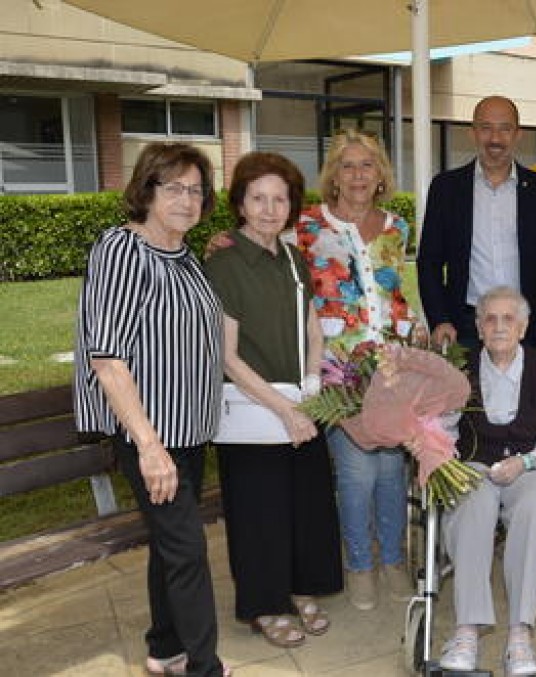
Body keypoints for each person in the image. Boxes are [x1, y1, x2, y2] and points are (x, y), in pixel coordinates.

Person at [73, 142, 230, 676]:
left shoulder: (184, 256)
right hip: (149, 433)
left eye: (197, 190)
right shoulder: (122, 250)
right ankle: (204, 668)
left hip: (188, 429)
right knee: (188, 550)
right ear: (147, 190)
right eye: (174, 188)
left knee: (171, 547)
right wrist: (148, 445)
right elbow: (107, 357)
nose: (188, 200)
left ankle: (165, 649)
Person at [204, 152, 343, 648]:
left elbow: (312, 329)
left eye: (279, 199)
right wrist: (283, 410)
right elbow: (227, 356)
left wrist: (311, 387)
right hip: (253, 408)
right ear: (240, 203)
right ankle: (265, 604)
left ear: (291, 205)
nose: (269, 209)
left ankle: (301, 587)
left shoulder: (293, 259)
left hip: (299, 403)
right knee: (259, 512)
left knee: (305, 504)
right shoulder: (223, 264)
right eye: (258, 198)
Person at [293, 130, 416, 610]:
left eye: (367, 165)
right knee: (357, 472)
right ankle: (361, 564)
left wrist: (415, 336)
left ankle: (394, 559)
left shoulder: (396, 227)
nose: (358, 175)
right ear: (334, 175)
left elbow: (395, 292)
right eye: (348, 165)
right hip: (338, 371)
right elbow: (266, 254)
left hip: (390, 370)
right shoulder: (306, 226)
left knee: (391, 471)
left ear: (381, 173)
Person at [434, 286, 536, 676]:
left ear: (523, 327)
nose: (499, 326)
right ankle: (467, 630)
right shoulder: (461, 369)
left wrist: (526, 462)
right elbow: (444, 428)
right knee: (472, 502)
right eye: (490, 319)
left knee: (532, 510)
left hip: (530, 465)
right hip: (476, 463)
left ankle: (520, 634)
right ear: (478, 327)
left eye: (508, 319)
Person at [417, 95, 536, 352]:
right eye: (486, 128)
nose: (495, 138)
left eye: (505, 129)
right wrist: (439, 319)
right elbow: (429, 262)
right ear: (473, 133)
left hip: (527, 325)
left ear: (518, 134)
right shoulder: (446, 188)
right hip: (464, 327)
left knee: (527, 382)